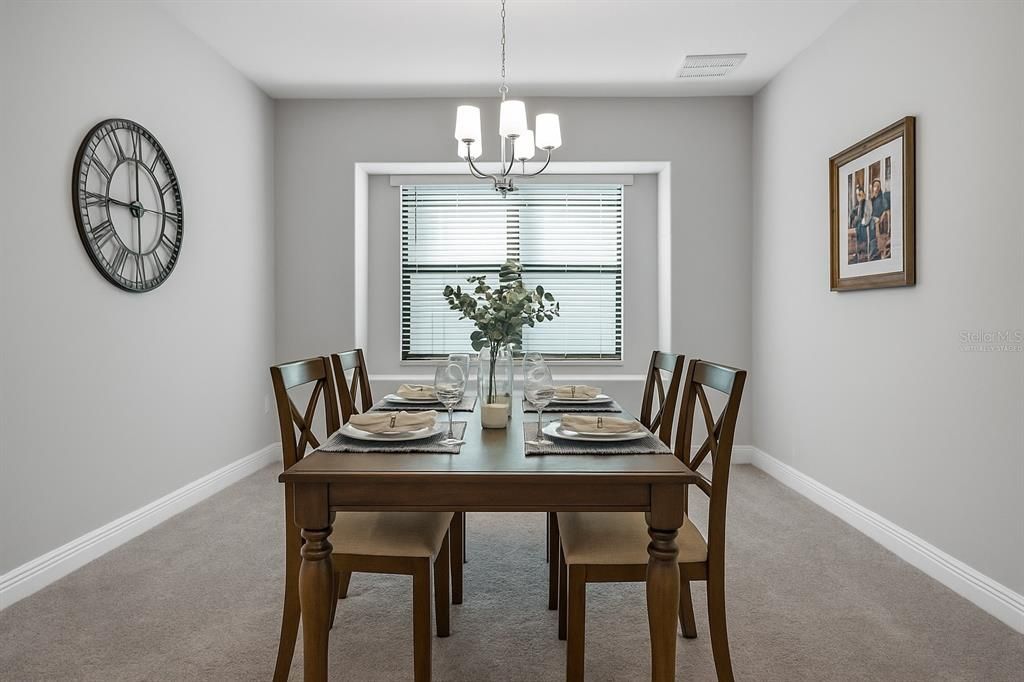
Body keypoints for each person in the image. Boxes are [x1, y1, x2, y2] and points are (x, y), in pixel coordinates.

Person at [869, 179, 891, 260]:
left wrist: (881, 217)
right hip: (871, 222)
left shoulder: (883, 198)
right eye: (875, 186)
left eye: (878, 186)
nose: (876, 188)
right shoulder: (871, 200)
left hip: (879, 223)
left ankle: (877, 253)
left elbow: (886, 210)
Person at [849, 186, 870, 263]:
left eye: (860, 194)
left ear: (864, 194)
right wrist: (855, 218)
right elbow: (854, 217)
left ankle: (863, 253)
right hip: (859, 226)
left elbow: (864, 216)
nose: (859, 197)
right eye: (857, 195)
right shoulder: (857, 207)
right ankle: (858, 253)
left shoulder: (867, 204)